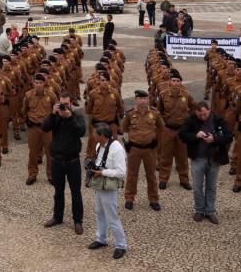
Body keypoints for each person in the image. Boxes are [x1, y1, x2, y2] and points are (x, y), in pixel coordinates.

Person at [179, 101, 232, 224]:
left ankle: (210, 211)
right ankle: (199, 210)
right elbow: (182, 135)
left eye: (204, 114)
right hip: (198, 158)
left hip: (214, 159)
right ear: (196, 113)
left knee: (211, 187)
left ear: (209, 110)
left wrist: (214, 139)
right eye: (200, 115)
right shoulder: (191, 119)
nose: (202, 117)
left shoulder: (219, 120)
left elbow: (229, 136)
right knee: (197, 187)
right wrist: (195, 135)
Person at [43, 91, 87, 235]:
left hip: (73, 161)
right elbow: (44, 127)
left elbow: (81, 131)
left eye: (66, 104)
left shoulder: (77, 115)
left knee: (76, 193)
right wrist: (53, 114)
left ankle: (78, 221)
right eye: (62, 104)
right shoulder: (56, 116)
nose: (64, 107)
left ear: (71, 103)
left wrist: (69, 118)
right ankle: (57, 217)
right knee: (58, 192)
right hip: (57, 161)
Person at [87, 122, 128, 260]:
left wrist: (103, 172)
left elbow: (122, 172)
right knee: (99, 212)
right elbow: (100, 162)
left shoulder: (117, 149)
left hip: (109, 187)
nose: (93, 136)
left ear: (102, 135)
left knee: (112, 216)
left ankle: (121, 245)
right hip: (100, 185)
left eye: (95, 134)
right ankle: (102, 238)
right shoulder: (100, 145)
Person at [122, 90, 164, 211]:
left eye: (145, 98)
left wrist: (156, 141)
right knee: (132, 175)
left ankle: (154, 199)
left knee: (151, 175)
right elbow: (124, 128)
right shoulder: (130, 114)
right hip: (134, 149)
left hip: (150, 150)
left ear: (148, 99)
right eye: (140, 98)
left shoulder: (154, 113)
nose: (143, 101)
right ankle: (129, 198)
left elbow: (161, 127)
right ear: (136, 100)